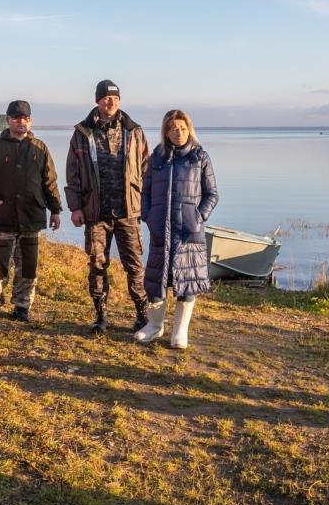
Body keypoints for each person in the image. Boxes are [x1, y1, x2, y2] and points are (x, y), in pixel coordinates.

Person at [65, 80, 149, 334]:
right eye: (105, 98)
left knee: (134, 265)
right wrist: (75, 208)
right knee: (97, 264)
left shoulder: (134, 131)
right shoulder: (83, 132)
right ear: (97, 101)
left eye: (114, 98)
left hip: (128, 211)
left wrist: (146, 204)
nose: (110, 102)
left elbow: (146, 169)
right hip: (96, 212)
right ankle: (100, 315)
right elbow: (73, 174)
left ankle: (142, 315)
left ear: (119, 101)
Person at [135, 110, 218, 349]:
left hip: (188, 232)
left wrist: (198, 217)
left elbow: (212, 194)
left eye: (182, 128)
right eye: (172, 128)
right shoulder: (157, 157)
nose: (178, 132)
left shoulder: (199, 157)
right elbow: (146, 192)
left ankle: (180, 332)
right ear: (166, 132)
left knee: (187, 282)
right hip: (160, 229)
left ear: (188, 129)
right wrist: (149, 216)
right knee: (156, 281)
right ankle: (154, 327)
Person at [0, 100, 62, 322]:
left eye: (25, 118)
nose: (21, 122)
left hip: (32, 217)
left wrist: (55, 210)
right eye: (16, 118)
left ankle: (22, 307)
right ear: (8, 120)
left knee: (28, 267)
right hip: (3, 218)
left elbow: (49, 182)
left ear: (30, 121)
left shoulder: (39, 148)